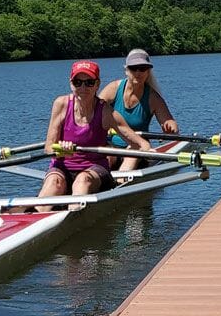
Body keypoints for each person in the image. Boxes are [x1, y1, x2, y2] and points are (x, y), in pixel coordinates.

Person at [36, 60, 151, 211]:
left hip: (94, 170)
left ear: (97, 84)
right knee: (53, 183)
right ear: (71, 84)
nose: (83, 88)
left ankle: (73, 217)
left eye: (89, 82)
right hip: (62, 167)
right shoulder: (61, 104)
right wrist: (60, 149)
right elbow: (48, 148)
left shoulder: (105, 112)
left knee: (82, 180)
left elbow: (139, 143)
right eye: (78, 82)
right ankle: (33, 218)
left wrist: (143, 152)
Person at [98, 49, 178, 174]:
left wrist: (171, 128)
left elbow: (169, 122)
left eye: (142, 68)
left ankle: (120, 182)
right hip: (111, 145)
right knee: (108, 157)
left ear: (148, 72)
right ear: (126, 70)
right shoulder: (113, 89)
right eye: (133, 68)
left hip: (138, 147)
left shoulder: (153, 98)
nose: (138, 72)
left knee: (132, 152)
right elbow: (92, 112)